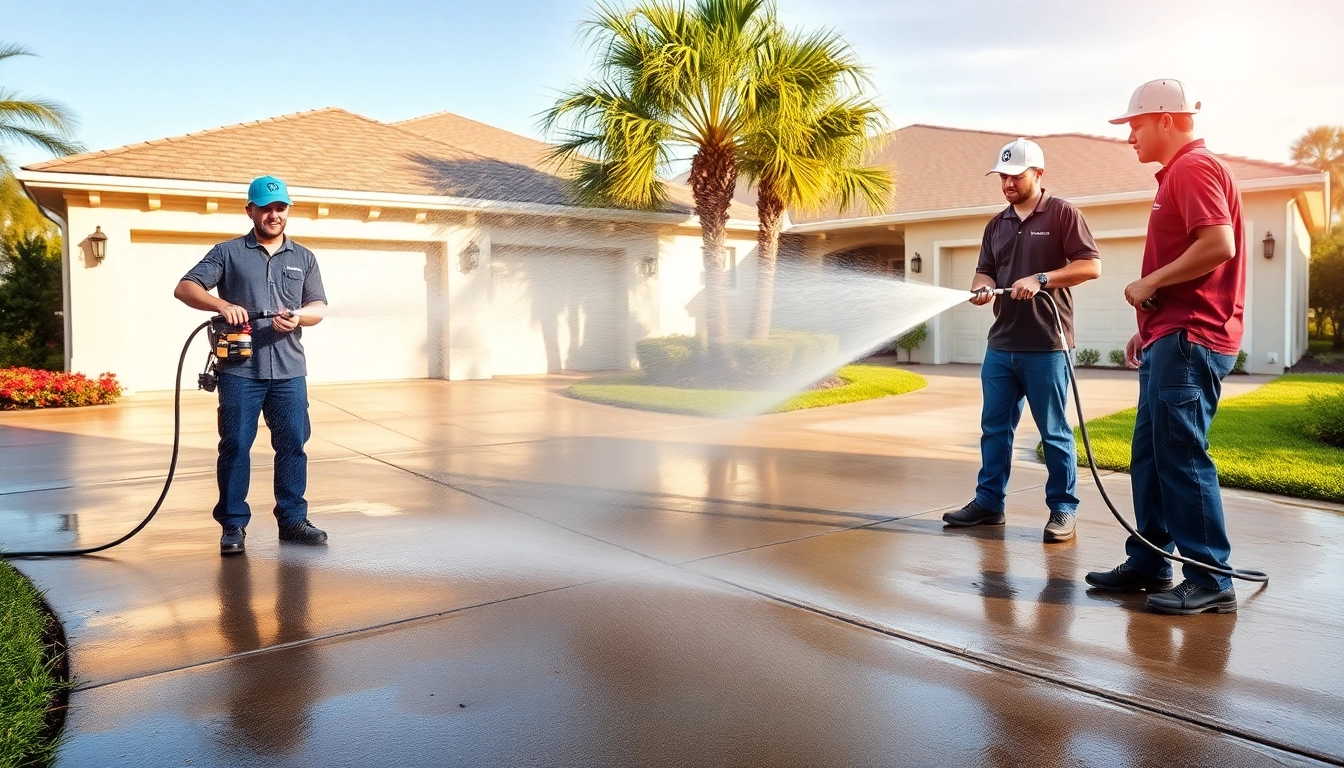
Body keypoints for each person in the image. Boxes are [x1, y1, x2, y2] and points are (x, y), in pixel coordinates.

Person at [1085, 80, 1246, 615]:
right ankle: (1150, 559)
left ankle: (1210, 577)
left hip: (1191, 337)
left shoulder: (1194, 169)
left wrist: (1151, 284)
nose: (1129, 136)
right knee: (1150, 457)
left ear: (1166, 120)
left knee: (1180, 455)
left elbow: (1217, 244)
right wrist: (1148, 324)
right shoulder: (1179, 174)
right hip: (1169, 334)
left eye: (1134, 125)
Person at [943, 138, 1101, 542]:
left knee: (1054, 433)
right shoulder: (996, 225)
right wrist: (981, 289)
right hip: (1001, 345)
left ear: (1038, 174)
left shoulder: (1063, 213)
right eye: (1002, 176)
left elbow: (1090, 266)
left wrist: (1041, 278)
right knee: (994, 428)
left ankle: (1063, 510)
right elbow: (985, 272)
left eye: (1015, 175)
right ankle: (989, 503)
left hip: (1047, 344)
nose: (1008, 183)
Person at [174, 175, 329, 555]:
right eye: (265, 208)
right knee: (236, 446)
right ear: (251, 211)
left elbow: (318, 308)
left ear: (287, 210)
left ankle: (293, 521)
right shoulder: (228, 253)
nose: (273, 215)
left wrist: (299, 317)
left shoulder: (304, 257)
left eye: (280, 208)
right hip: (241, 370)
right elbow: (185, 287)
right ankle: (232, 526)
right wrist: (221, 305)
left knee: (293, 444)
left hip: (290, 370)